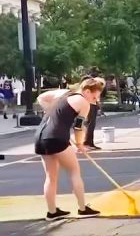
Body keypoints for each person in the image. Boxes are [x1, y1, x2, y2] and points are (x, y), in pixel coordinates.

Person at [34, 77, 105, 221]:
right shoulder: (83, 103)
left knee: (51, 176)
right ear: (86, 91)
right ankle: (83, 208)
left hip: (40, 137)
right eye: (94, 96)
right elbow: (79, 127)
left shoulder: (63, 93)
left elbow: (41, 97)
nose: (95, 100)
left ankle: (52, 212)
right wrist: (80, 144)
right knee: (74, 171)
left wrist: (51, 111)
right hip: (57, 138)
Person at [82, 73, 106, 150]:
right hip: (90, 105)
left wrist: (97, 103)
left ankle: (90, 142)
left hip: (93, 105)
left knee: (91, 125)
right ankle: (86, 142)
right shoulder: (90, 88)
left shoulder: (95, 89)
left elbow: (96, 98)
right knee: (89, 124)